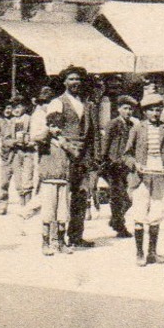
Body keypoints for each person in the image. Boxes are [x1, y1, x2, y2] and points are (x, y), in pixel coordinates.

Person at [127, 90, 164, 265]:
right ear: (144, 112)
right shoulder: (137, 128)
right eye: (151, 110)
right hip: (141, 176)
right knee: (140, 213)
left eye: (158, 110)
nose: (155, 113)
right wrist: (136, 165)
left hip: (159, 175)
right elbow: (127, 155)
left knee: (156, 212)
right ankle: (139, 253)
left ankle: (152, 252)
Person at [52, 66, 100, 248]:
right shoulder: (58, 102)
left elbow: (94, 132)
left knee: (80, 195)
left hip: (84, 157)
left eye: (78, 79)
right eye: (71, 79)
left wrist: (95, 156)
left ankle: (76, 236)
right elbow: (54, 131)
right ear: (64, 82)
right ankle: (57, 237)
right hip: (65, 155)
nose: (75, 83)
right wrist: (67, 148)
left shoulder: (87, 104)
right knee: (62, 196)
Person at [34, 111, 76, 255]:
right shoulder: (45, 141)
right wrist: (47, 130)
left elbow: (76, 154)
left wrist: (66, 146)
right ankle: (45, 243)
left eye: (59, 126)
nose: (56, 129)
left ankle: (61, 242)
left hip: (63, 181)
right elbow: (37, 138)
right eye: (53, 126)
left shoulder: (65, 141)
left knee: (62, 214)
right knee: (47, 214)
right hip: (48, 181)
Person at [101, 94, 139, 238]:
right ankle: (120, 226)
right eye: (125, 108)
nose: (128, 112)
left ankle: (116, 221)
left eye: (130, 109)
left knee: (128, 197)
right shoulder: (113, 123)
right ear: (118, 109)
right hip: (113, 165)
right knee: (118, 196)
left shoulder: (132, 125)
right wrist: (105, 160)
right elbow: (106, 143)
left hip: (126, 165)